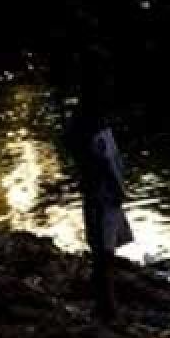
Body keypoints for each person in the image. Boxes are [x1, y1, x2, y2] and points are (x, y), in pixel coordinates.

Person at [66, 56, 132, 321]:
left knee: (104, 247)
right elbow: (100, 162)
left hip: (102, 191)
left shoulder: (90, 119)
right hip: (101, 192)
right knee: (103, 250)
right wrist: (117, 187)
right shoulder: (88, 121)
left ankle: (106, 302)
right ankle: (106, 305)